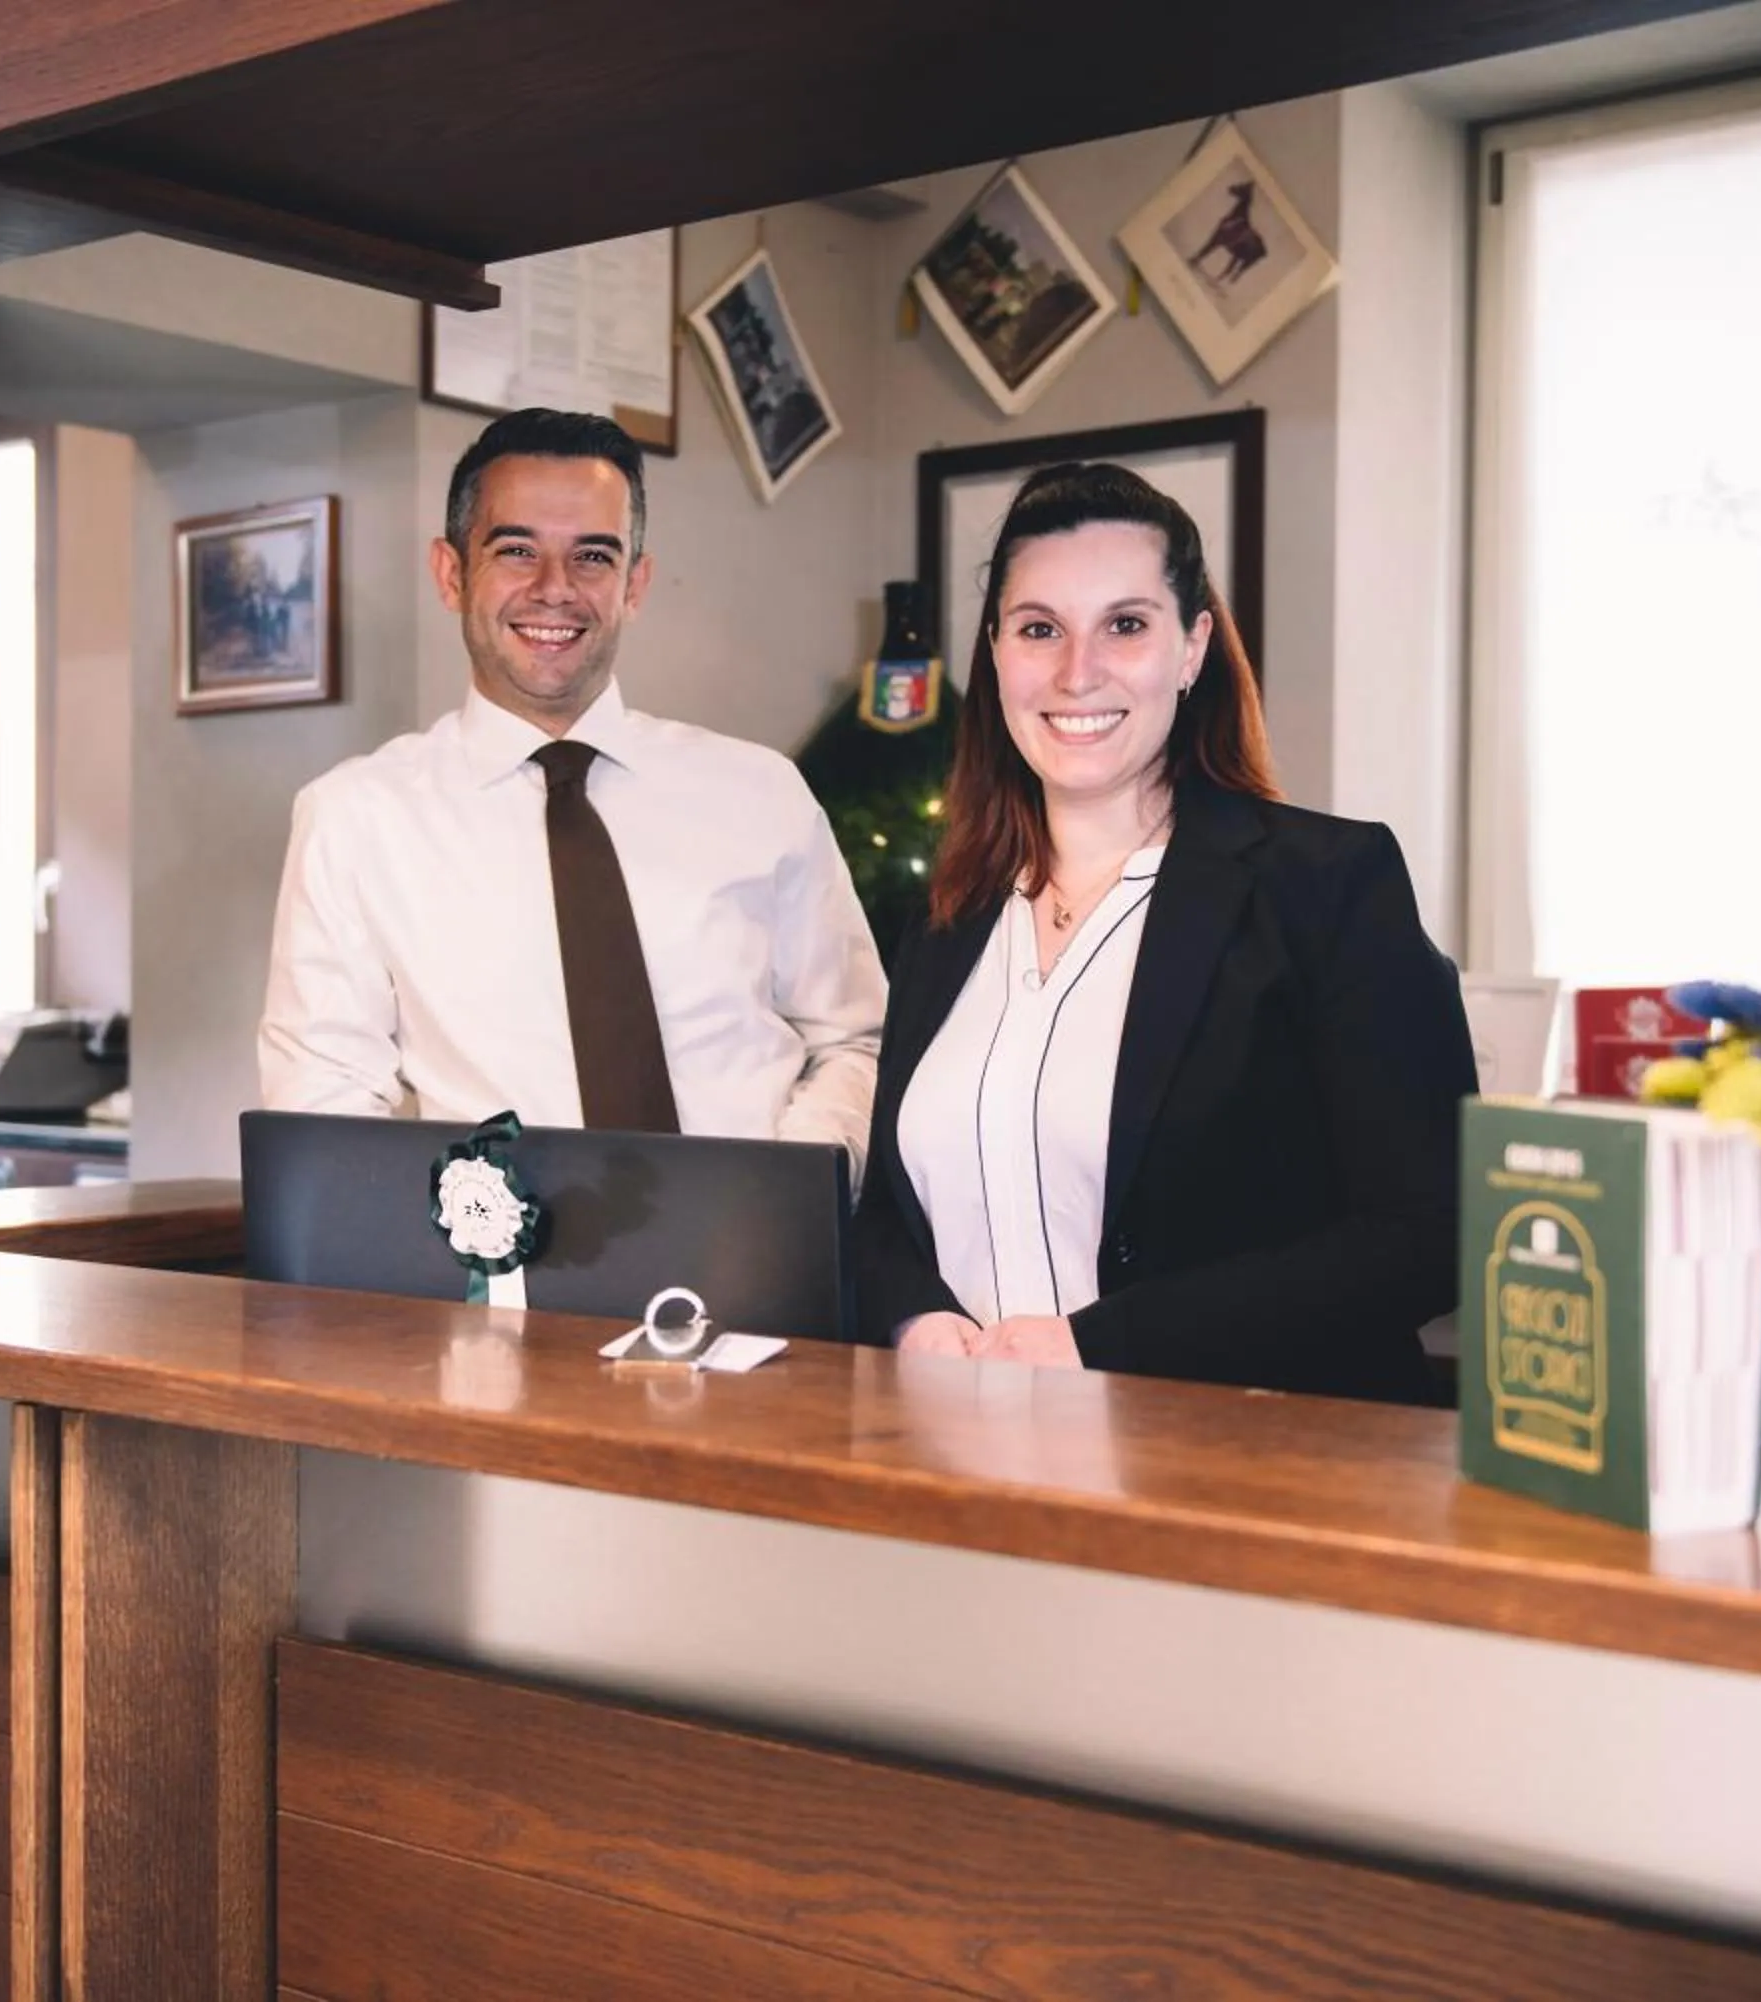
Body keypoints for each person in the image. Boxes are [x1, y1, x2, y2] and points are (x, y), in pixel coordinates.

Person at [854, 462, 1474, 1401]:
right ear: (995, 652)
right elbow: (890, 1213)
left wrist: (1104, 1343)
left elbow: (1431, 1234)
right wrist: (914, 1314)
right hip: (961, 1464)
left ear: (1192, 649)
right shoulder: (949, 916)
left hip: (1238, 1477)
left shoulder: (1325, 886)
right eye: (1039, 630)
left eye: (1126, 625)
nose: (1077, 672)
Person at [258, 408, 885, 1170]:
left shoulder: (764, 794)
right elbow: (324, 1108)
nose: (555, 590)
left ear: (635, 584)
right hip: (495, 1279)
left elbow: (854, 1038)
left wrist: (795, 1192)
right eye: (516, 550)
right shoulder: (356, 820)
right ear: (452, 574)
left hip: (767, 1269)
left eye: (593, 556)